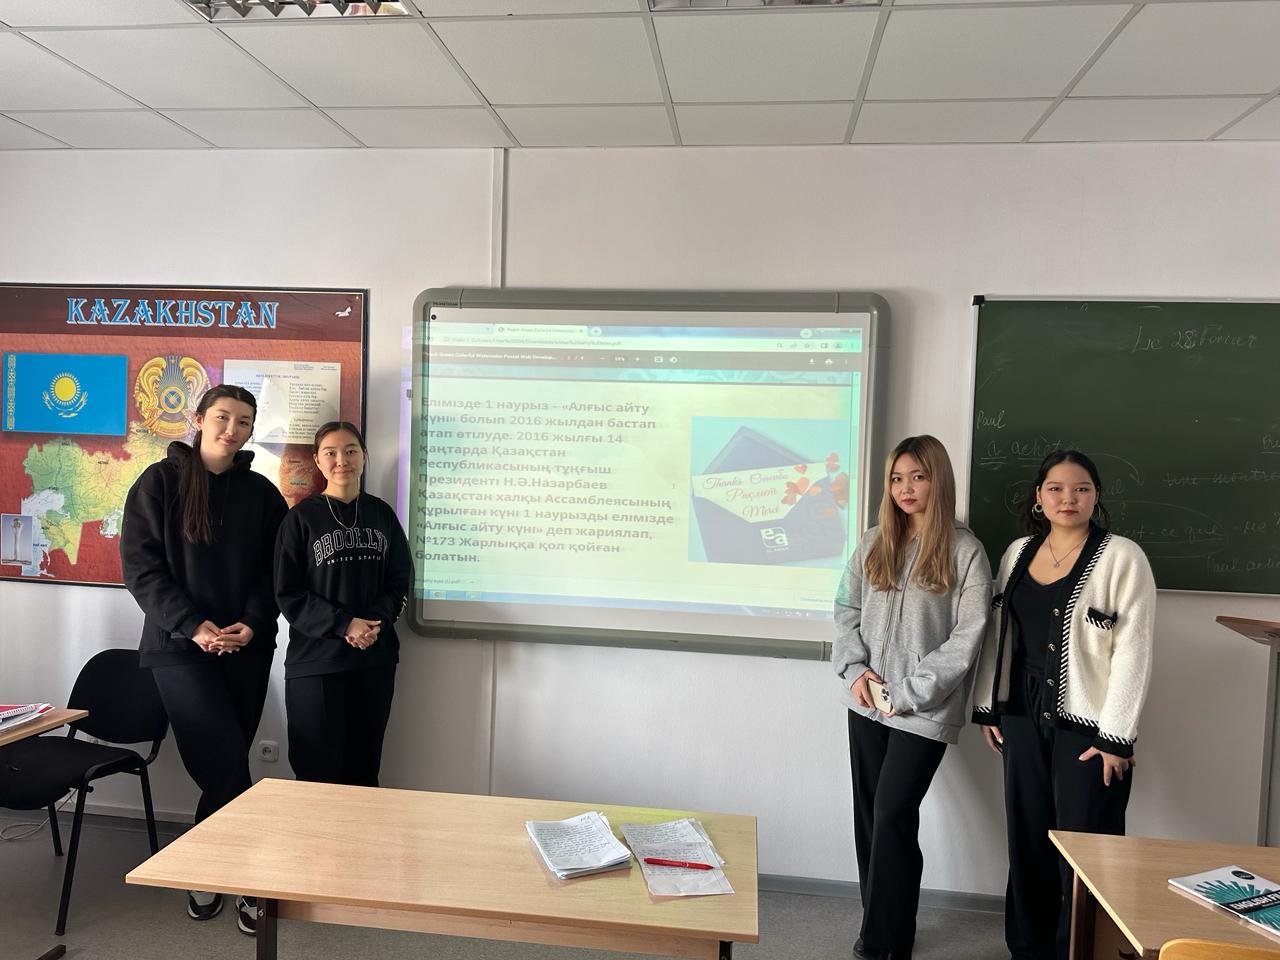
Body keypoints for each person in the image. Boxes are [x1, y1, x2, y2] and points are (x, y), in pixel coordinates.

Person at [972, 450, 1156, 960]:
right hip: (1020, 714)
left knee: (1087, 847)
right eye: (1055, 488)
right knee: (1027, 840)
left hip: (1088, 724)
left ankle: (1083, 951)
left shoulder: (1122, 557)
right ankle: (1027, 949)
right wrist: (989, 706)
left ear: (1096, 496)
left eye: (1081, 489)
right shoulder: (1017, 553)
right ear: (1039, 497)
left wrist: (1116, 737)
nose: (1067, 498)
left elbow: (1134, 651)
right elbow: (999, 634)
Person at [121, 383, 287, 935]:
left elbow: (274, 573)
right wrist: (194, 626)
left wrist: (252, 624)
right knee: (224, 765)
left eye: (244, 421)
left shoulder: (261, 493)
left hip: (245, 648)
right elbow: (141, 569)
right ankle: (247, 878)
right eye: (222, 417)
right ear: (198, 419)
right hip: (177, 649)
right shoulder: (159, 482)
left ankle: (205, 867)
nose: (231, 430)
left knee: (226, 764)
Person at [833, 435, 992, 960]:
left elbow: (968, 636)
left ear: (937, 480)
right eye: (897, 478)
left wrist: (908, 693)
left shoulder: (966, 552)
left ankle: (885, 939)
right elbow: (845, 609)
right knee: (870, 815)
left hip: (923, 708)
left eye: (918, 477)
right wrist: (854, 670)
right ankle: (880, 924)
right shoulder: (873, 541)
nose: (906, 488)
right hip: (866, 701)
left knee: (893, 812)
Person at [275, 421, 412, 787]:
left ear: (364, 456)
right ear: (318, 460)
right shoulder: (300, 518)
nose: (342, 460)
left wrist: (373, 623)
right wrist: (344, 624)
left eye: (351, 451)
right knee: (316, 774)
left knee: (363, 772)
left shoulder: (382, 514)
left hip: (374, 659)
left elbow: (400, 580)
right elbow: (288, 593)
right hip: (315, 663)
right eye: (331, 453)